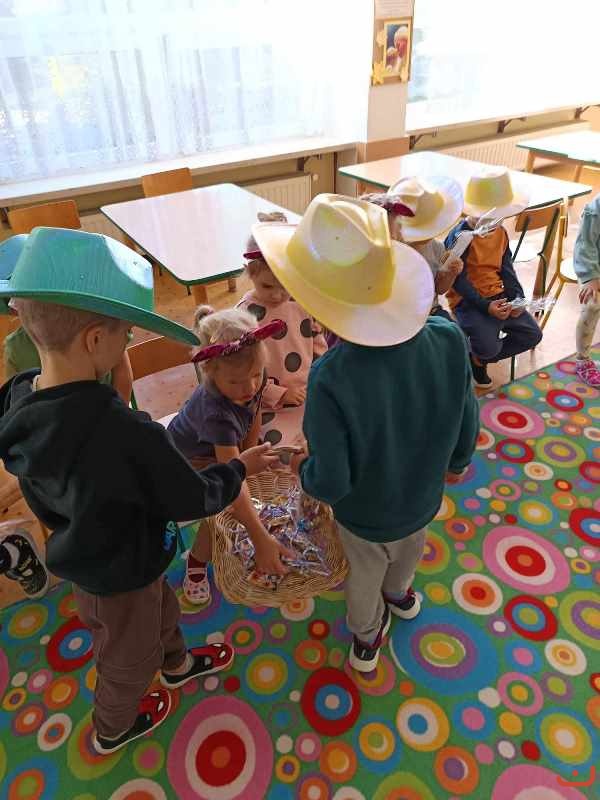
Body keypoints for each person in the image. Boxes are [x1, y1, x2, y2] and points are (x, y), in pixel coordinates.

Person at [0, 228, 278, 754]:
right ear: (95, 341)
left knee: (162, 610)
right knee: (127, 657)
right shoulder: (126, 434)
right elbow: (192, 498)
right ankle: (113, 727)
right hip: (118, 570)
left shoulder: (20, 397)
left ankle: (176, 664)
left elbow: (48, 491)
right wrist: (239, 467)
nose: (128, 343)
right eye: (126, 334)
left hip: (95, 553)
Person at [252, 194, 480, 673]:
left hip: (364, 515)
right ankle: (400, 594)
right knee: (409, 551)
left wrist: (302, 468)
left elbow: (331, 481)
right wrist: (458, 462)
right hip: (424, 495)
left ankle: (366, 635)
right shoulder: (448, 337)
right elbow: (467, 413)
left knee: (364, 574)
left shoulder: (331, 377)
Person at [168, 306, 295, 605]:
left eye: (256, 375)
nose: (249, 387)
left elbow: (254, 411)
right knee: (222, 506)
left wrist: (251, 453)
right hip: (186, 462)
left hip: (223, 450)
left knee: (249, 493)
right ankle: (197, 560)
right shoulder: (217, 415)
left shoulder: (253, 379)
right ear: (210, 373)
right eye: (236, 382)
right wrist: (261, 539)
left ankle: (249, 525)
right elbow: (230, 482)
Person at [0, 235, 133, 402]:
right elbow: (16, 398)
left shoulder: (102, 325)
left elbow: (123, 375)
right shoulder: (15, 348)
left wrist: (119, 412)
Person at [237, 212, 328, 448]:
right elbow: (241, 371)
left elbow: (319, 348)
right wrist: (278, 394)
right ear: (249, 272)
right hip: (265, 406)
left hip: (309, 396)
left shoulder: (301, 302)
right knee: (282, 451)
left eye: (285, 285)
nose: (277, 295)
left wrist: (323, 381)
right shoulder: (244, 316)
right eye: (267, 286)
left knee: (326, 439)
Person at [445, 169, 543, 387]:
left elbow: (507, 270)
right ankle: (478, 354)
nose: (497, 221)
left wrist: (517, 298)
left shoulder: (501, 233)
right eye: (492, 216)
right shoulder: (462, 236)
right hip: (469, 301)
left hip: (498, 296)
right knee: (488, 346)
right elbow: (457, 281)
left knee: (532, 334)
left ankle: (478, 359)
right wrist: (485, 306)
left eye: (501, 216)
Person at [361, 175, 464, 321]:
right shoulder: (392, 253)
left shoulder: (436, 248)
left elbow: (440, 289)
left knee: (451, 328)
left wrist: (450, 273)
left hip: (431, 311)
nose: (396, 236)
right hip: (404, 315)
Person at [573, 193, 600, 387]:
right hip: (590, 267)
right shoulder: (596, 208)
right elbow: (585, 243)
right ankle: (582, 360)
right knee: (592, 304)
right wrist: (591, 277)